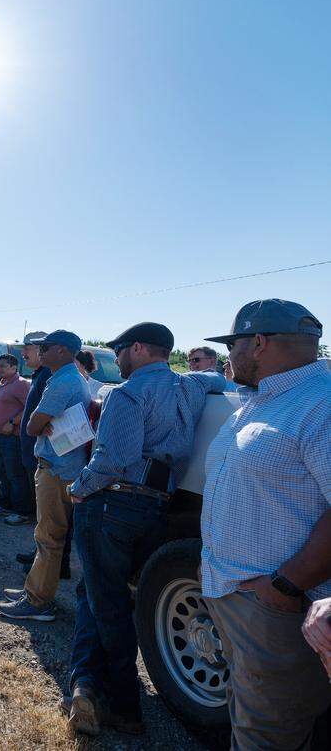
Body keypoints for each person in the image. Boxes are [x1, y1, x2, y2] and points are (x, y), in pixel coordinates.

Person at [60, 322, 226, 737]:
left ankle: (122, 703)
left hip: (113, 501)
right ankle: (87, 682)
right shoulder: (189, 387)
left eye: (119, 351)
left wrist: (77, 488)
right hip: (157, 504)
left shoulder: (126, 393)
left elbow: (116, 457)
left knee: (106, 600)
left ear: (137, 348)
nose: (117, 359)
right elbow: (215, 377)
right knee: (99, 593)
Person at [199, 299, 331, 749]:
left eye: (232, 344)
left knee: (269, 735)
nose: (227, 356)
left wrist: (284, 587)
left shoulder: (320, 405)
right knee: (251, 715)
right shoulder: (262, 402)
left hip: (274, 609)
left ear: (257, 343)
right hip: (239, 595)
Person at [0, 331, 90, 622]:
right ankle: (34, 590)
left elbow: (31, 426)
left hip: (57, 468)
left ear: (62, 351)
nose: (41, 352)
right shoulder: (68, 378)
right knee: (47, 534)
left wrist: (42, 423)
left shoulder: (63, 381)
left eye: (46, 347)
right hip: (61, 466)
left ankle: (38, 601)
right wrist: (42, 423)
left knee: (49, 537)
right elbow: (38, 423)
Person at [14, 333, 51, 567]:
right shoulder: (39, 375)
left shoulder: (47, 375)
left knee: (44, 511)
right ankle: (38, 552)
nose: (23, 353)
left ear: (41, 350)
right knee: (39, 510)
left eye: (27, 348)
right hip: (32, 450)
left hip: (40, 452)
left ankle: (43, 559)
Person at [0, 353, 33, 524]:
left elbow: (29, 407)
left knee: (15, 475)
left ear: (14, 367)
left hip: (11, 437)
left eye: (3, 366)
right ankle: (5, 505)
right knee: (2, 473)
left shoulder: (21, 384)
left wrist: (12, 422)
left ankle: (22, 512)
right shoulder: (2, 383)